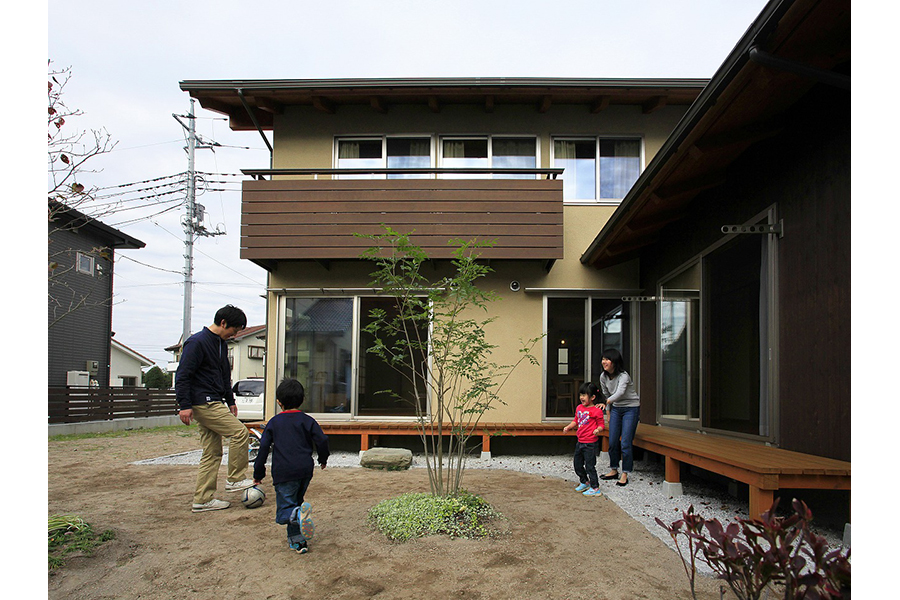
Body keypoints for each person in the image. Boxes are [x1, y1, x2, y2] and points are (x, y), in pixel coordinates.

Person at [176, 304, 254, 512]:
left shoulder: (221, 344)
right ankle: (235, 478)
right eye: (234, 330)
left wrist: (230, 401)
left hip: (215, 399)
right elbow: (183, 375)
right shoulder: (197, 342)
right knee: (239, 433)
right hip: (204, 401)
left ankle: (202, 500)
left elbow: (223, 376)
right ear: (223, 323)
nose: (234, 334)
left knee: (212, 452)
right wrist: (184, 405)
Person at [253, 378, 330, 554]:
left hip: (284, 472)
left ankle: (296, 515)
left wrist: (259, 472)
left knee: (286, 511)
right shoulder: (307, 420)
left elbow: (263, 448)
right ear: (302, 400)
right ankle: (298, 542)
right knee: (296, 502)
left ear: (278, 402)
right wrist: (323, 459)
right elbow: (322, 440)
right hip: (304, 470)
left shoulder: (274, 423)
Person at [598, 348, 640, 487]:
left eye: (607, 359)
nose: (604, 362)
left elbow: (620, 393)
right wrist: (608, 412)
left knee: (626, 442)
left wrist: (607, 403)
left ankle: (625, 473)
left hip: (631, 408)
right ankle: (614, 469)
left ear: (615, 362)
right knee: (613, 440)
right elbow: (606, 394)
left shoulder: (624, 376)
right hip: (616, 408)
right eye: (603, 359)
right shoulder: (603, 377)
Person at [562, 382, 606, 497]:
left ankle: (595, 487)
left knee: (590, 466)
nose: (581, 397)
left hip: (590, 443)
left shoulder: (597, 411)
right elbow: (576, 421)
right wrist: (568, 427)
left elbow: (602, 425)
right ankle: (584, 482)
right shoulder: (579, 408)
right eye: (581, 394)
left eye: (584, 395)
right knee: (577, 464)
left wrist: (598, 430)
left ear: (592, 397)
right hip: (580, 441)